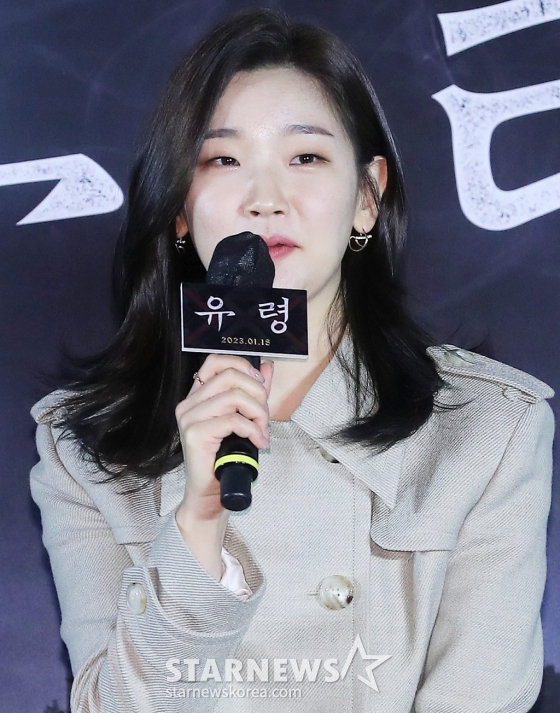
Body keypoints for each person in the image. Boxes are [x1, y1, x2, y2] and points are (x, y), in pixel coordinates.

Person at [30, 7, 554, 712]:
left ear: (367, 196)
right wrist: (198, 522)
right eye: (222, 160)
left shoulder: (489, 429)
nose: (265, 200)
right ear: (181, 210)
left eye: (305, 157)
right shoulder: (84, 448)